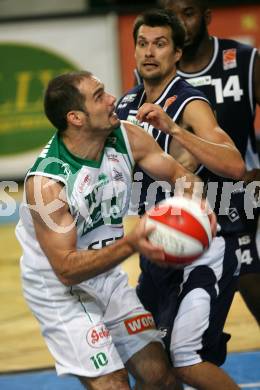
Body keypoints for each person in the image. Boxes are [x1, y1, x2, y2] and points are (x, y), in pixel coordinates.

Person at [15, 70, 211, 390]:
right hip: (59, 291)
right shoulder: (48, 183)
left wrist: (200, 207)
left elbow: (178, 174)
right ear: (76, 118)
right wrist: (133, 242)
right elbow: (65, 269)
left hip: (106, 276)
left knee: (161, 378)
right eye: (100, 96)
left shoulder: (127, 137)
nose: (113, 100)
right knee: (114, 384)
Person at [116, 9, 245, 390]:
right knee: (151, 368)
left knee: (186, 361)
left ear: (176, 53)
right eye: (142, 44)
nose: (149, 52)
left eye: (160, 44)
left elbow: (235, 166)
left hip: (200, 246)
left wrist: (173, 129)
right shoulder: (126, 104)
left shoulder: (191, 103)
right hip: (158, 250)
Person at [162, 0, 260, 326]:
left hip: (245, 203)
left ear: (206, 16)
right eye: (170, 16)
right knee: (178, 324)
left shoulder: (245, 61)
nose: (178, 23)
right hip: (190, 210)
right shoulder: (158, 73)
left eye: (186, 14)